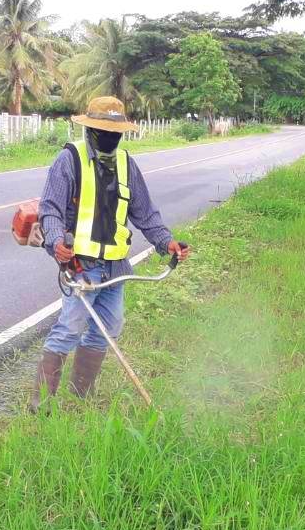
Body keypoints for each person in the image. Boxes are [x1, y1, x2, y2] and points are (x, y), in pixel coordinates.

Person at [32, 95, 189, 408]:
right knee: (68, 330)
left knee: (107, 329)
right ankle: (40, 407)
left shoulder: (126, 163)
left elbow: (145, 213)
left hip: (115, 268)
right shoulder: (70, 160)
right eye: (104, 132)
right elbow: (50, 209)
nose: (110, 138)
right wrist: (55, 242)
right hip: (81, 267)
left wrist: (166, 242)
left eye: (116, 133)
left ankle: (80, 397)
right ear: (91, 131)